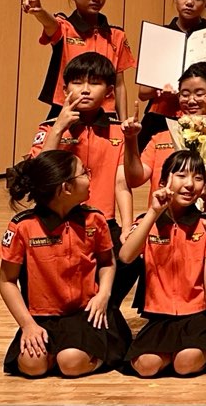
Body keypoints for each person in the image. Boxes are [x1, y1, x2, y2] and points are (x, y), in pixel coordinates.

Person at [0, 150, 130, 376]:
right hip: (42, 317)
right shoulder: (23, 226)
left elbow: (107, 263)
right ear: (66, 188)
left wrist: (103, 295)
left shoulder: (95, 220)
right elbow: (6, 281)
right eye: (84, 173)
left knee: (71, 362)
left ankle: (95, 353)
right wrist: (27, 325)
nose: (89, 177)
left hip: (86, 314)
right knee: (32, 365)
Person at [31, 52, 137, 302]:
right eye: (77, 82)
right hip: (58, 220)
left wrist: (127, 227)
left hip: (103, 221)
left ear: (109, 91)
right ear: (65, 88)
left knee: (133, 256)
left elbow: (122, 183)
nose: (85, 90)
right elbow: (38, 174)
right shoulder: (49, 128)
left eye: (95, 83)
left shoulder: (118, 131)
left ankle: (106, 306)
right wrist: (59, 127)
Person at [119, 150, 206, 377]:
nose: (190, 184)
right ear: (163, 182)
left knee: (185, 363)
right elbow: (126, 256)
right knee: (146, 366)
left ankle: (191, 352)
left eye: (198, 178)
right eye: (181, 175)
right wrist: (154, 212)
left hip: (196, 315)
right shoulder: (146, 222)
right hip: (159, 316)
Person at [122, 61, 206, 217]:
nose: (191, 100)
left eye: (199, 94)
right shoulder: (161, 137)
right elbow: (135, 179)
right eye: (185, 94)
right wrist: (130, 139)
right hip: (162, 226)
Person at [22, 0, 136, 118]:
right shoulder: (64, 27)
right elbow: (50, 23)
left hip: (104, 112)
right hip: (67, 109)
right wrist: (39, 12)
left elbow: (119, 84)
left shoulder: (117, 35)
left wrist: (123, 123)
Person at [137, 0, 206, 145]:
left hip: (200, 120)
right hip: (160, 115)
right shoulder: (159, 36)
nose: (189, 2)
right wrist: (161, 90)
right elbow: (143, 93)